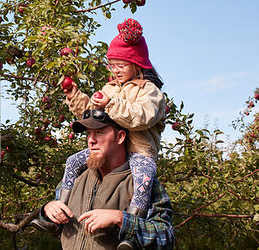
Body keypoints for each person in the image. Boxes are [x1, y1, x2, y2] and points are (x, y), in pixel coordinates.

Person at [60, 19, 166, 227]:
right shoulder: (109, 88)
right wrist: (75, 97)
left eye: (121, 65)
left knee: (142, 183)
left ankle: (132, 229)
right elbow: (93, 116)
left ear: (137, 64)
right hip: (111, 151)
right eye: (112, 64)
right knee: (73, 161)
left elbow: (142, 117)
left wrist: (112, 104)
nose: (115, 70)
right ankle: (60, 212)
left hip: (139, 151)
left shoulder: (149, 91)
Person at [39, 110, 174, 249]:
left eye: (99, 132)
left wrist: (121, 219)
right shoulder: (75, 177)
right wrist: (48, 209)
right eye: (88, 134)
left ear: (120, 137)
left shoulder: (142, 182)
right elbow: (57, 219)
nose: (91, 140)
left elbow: (166, 237)